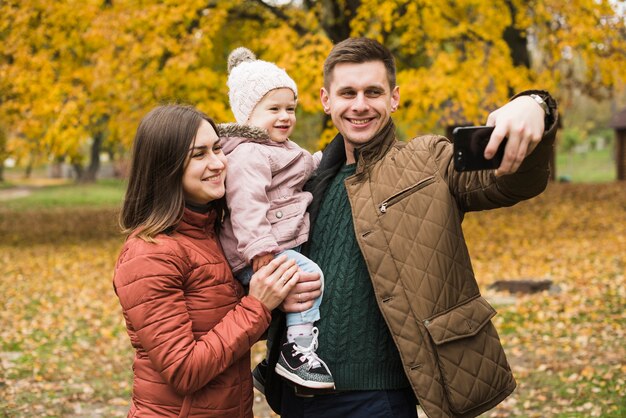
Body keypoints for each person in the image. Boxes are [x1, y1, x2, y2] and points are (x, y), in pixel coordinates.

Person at [257, 37, 558, 418]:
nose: (360, 105)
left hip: (379, 400)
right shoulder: (305, 181)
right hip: (297, 397)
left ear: (394, 98)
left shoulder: (429, 160)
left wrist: (535, 106)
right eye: (347, 92)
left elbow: (510, 182)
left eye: (373, 92)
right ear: (326, 100)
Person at [112, 104, 318, 417]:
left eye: (218, 148)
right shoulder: (149, 254)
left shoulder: (215, 235)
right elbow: (184, 370)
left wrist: (277, 303)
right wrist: (258, 305)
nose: (219, 163)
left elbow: (223, 326)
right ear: (164, 166)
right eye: (199, 154)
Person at [218, 47, 334, 389]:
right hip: (258, 251)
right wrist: (261, 253)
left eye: (290, 108)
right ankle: (296, 356)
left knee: (298, 288)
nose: (285, 116)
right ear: (248, 114)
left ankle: (272, 367)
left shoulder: (279, 148)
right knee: (309, 275)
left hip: (273, 246)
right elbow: (247, 205)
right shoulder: (248, 154)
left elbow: (300, 170)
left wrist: (323, 159)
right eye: (274, 109)